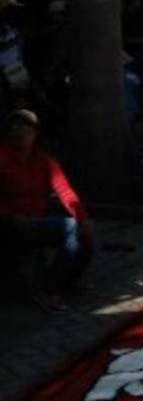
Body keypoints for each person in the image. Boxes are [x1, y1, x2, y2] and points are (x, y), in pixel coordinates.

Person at [0, 109, 94, 312]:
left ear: (35, 133)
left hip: (37, 219)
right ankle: (47, 290)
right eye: (14, 126)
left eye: (26, 127)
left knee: (85, 234)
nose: (20, 131)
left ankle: (66, 282)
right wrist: (10, 214)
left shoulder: (44, 161)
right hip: (10, 222)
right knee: (69, 228)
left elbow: (64, 190)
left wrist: (83, 218)